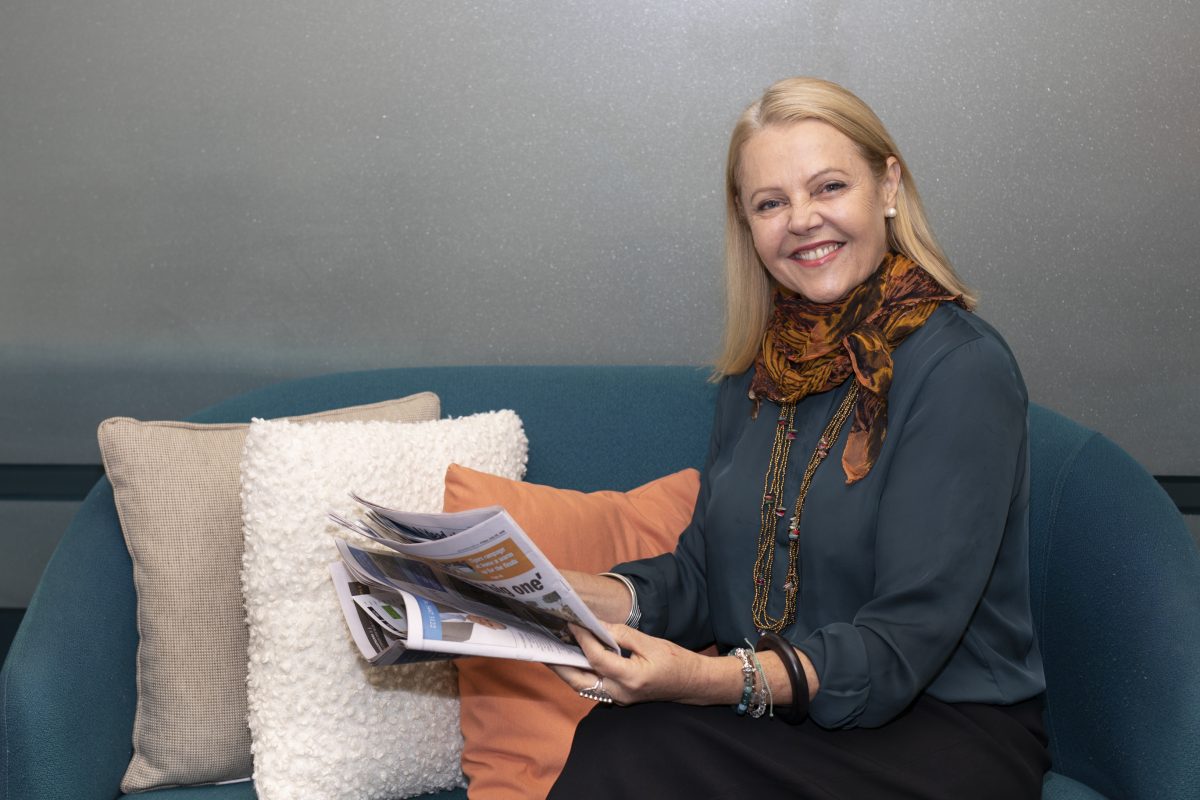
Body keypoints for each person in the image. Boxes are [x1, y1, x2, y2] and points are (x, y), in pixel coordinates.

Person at [547, 77, 1050, 799]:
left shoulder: (961, 369)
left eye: (829, 187)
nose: (803, 220)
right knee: (621, 737)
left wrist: (707, 679)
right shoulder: (760, 370)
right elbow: (704, 579)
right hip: (792, 715)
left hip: (945, 732)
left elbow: (904, 638)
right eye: (771, 203)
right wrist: (554, 595)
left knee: (633, 750)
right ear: (748, 225)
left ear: (887, 187)